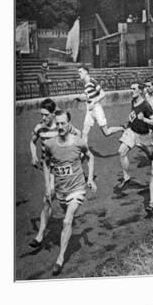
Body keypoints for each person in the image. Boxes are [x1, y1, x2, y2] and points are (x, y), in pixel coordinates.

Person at [42, 110, 97, 276]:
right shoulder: (50, 144)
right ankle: (68, 230)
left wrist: (90, 179)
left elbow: (90, 156)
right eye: (57, 123)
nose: (60, 126)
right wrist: (47, 186)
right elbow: (45, 164)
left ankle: (60, 259)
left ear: (69, 124)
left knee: (66, 221)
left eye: (63, 123)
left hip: (77, 188)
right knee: (68, 219)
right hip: (61, 190)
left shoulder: (78, 142)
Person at [29, 99, 82, 249]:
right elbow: (32, 141)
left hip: (63, 168)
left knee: (57, 198)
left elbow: (78, 135)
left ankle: (67, 222)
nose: (43, 118)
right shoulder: (40, 128)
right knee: (48, 197)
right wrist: (33, 156)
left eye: (46, 115)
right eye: (41, 115)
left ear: (53, 114)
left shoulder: (62, 127)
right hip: (49, 169)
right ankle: (39, 235)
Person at [117, 83, 153, 189]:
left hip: (144, 136)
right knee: (121, 151)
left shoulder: (146, 105)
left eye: (134, 89)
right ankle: (126, 177)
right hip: (132, 132)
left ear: (140, 91)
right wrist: (128, 124)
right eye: (131, 88)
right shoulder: (133, 101)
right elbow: (133, 114)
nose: (131, 91)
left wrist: (144, 119)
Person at [76, 66, 123, 142]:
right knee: (84, 132)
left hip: (96, 109)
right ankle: (83, 152)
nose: (79, 74)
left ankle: (122, 128)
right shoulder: (86, 84)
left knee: (106, 133)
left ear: (86, 72)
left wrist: (93, 102)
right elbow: (88, 97)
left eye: (80, 72)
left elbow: (102, 94)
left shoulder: (92, 81)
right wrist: (80, 98)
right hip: (89, 109)